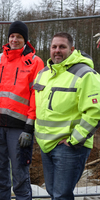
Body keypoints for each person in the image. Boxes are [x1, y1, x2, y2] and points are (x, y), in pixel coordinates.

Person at [33, 32, 100, 199]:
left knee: (61, 194)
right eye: (54, 47)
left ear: (72, 49)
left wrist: (74, 140)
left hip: (68, 146)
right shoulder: (43, 74)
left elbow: (94, 112)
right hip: (45, 145)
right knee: (52, 191)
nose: (57, 50)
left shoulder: (85, 74)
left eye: (62, 47)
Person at [0, 21, 44, 200]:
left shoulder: (35, 62)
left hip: (19, 129)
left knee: (20, 175)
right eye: (12, 36)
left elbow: (37, 96)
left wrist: (29, 127)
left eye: (19, 37)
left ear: (25, 40)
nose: (14, 39)